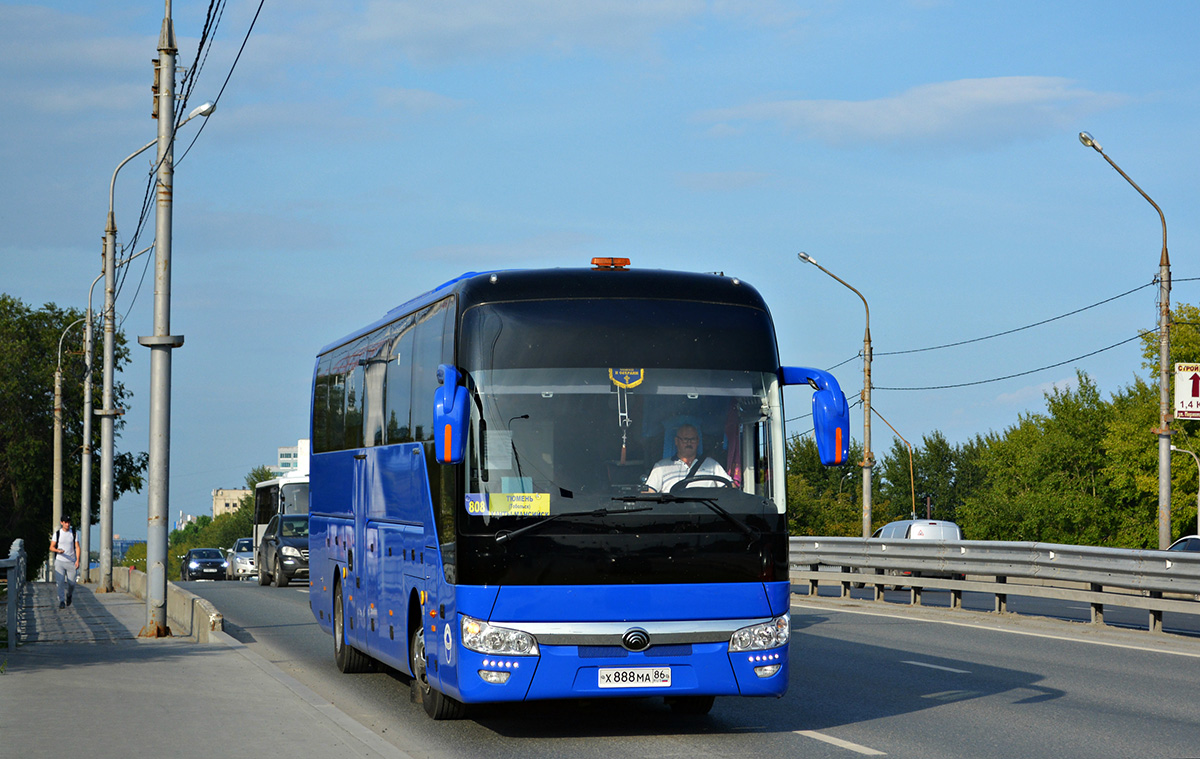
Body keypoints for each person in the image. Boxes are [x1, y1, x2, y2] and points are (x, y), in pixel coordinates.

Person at [644, 424, 731, 493]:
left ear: (697, 441)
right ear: (676, 441)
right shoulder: (661, 467)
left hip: (707, 513)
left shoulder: (712, 465)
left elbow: (731, 488)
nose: (689, 443)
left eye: (692, 439)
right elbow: (648, 494)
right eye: (685, 439)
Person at [50, 515, 80, 609]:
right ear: (61, 523)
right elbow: (51, 547)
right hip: (60, 561)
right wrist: (58, 551)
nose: (67, 524)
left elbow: (77, 547)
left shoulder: (73, 533)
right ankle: (62, 601)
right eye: (65, 522)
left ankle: (69, 595)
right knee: (60, 582)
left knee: (72, 583)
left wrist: (78, 560)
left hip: (71, 561)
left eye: (68, 522)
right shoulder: (57, 534)